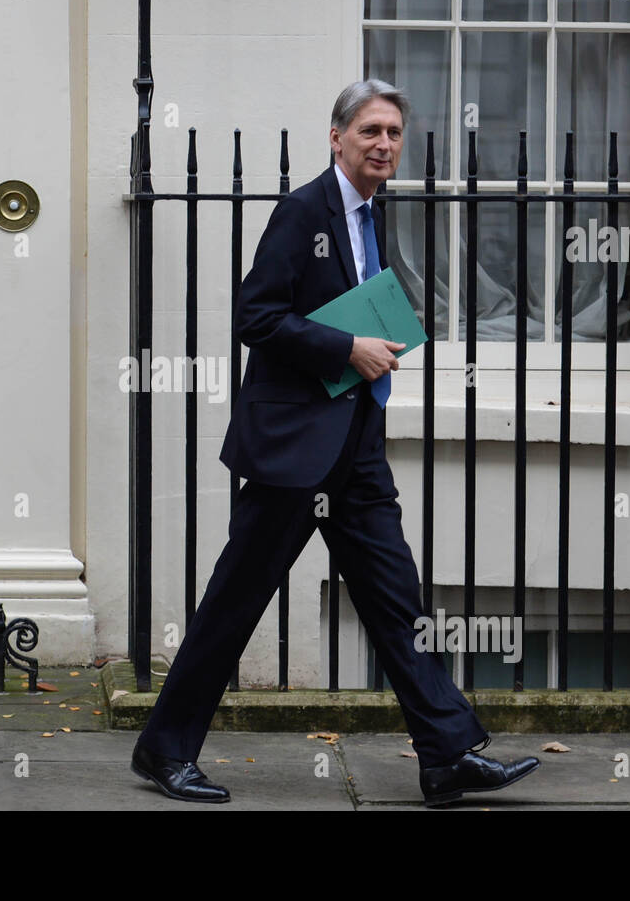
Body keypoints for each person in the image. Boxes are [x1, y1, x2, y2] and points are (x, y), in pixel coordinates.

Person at [130, 79, 540, 807]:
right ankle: (165, 751)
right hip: (294, 447)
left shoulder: (373, 216)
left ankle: (445, 754)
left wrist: (367, 347)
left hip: (356, 445)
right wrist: (347, 347)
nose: (384, 144)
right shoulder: (303, 210)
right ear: (337, 137)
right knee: (236, 599)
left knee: (395, 601)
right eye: (370, 131)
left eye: (393, 133)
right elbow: (257, 316)